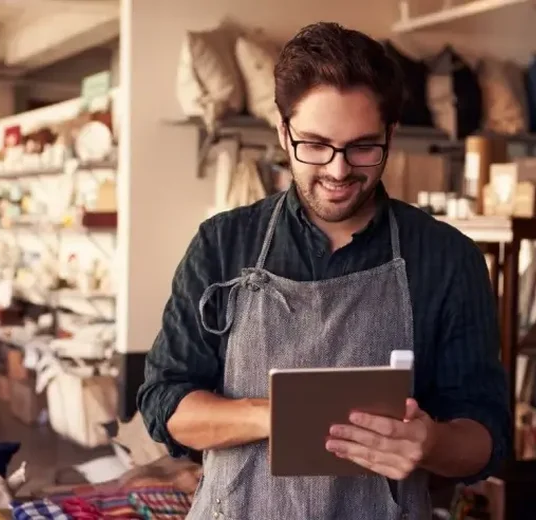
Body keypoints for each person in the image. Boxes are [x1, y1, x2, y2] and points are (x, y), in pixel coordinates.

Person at [137, 22, 511, 519]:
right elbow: (165, 402)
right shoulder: (222, 245)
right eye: (315, 145)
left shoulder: (447, 259)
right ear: (282, 130)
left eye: (362, 146)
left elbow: (488, 434)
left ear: (391, 135)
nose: (338, 171)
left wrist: (432, 442)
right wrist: (277, 414)